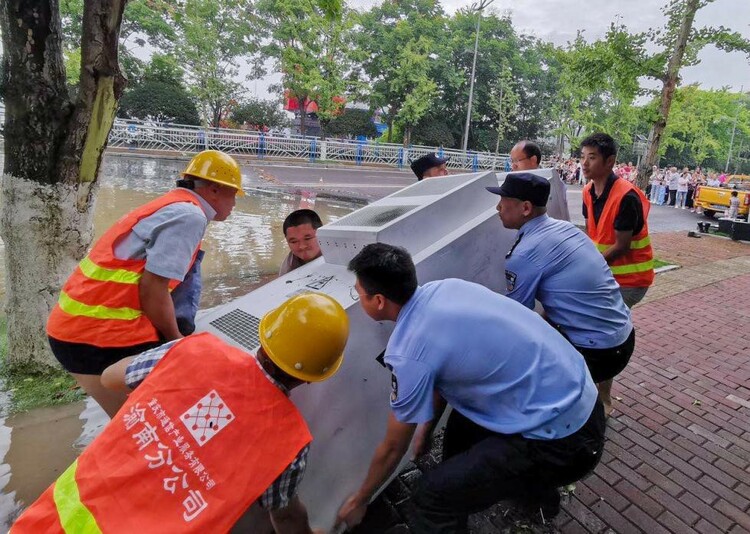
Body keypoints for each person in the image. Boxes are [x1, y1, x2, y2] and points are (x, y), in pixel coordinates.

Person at [13, 293, 349, 534]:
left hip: (53, 516)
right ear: (310, 378)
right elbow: (285, 515)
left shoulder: (196, 349)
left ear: (265, 335)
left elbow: (110, 377)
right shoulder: (290, 441)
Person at [336, 243, 605, 533]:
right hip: (584, 398)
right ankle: (533, 496)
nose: (358, 298)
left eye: (358, 293)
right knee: (459, 435)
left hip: (566, 442)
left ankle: (533, 490)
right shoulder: (446, 288)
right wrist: (428, 429)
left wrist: (361, 499)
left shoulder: (407, 353)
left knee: (431, 497)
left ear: (378, 301)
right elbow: (441, 375)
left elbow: (392, 448)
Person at [46, 150, 244, 418]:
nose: (234, 203)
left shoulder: (172, 205)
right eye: (233, 194)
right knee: (144, 422)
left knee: (132, 420)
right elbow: (153, 289)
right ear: (214, 190)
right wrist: (176, 342)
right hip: (96, 336)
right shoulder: (190, 216)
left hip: (74, 327)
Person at [487, 173, 634, 417]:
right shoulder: (564, 228)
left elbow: (516, 320)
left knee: (520, 371)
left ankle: (559, 428)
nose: (498, 207)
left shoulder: (525, 253)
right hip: (623, 338)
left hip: (598, 354)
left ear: (525, 208)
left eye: (504, 200)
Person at [581, 134, 653, 308]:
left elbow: (621, 246)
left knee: (602, 321)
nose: (584, 163)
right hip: (606, 274)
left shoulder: (626, 197)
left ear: (610, 161)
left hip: (630, 280)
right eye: (582, 156)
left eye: (592, 157)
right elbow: (589, 232)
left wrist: (588, 265)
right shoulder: (588, 191)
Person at [279, 209, 323, 276]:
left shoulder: (341, 255)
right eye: (294, 242)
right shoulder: (287, 270)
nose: (302, 246)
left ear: (322, 233)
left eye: (307, 238)